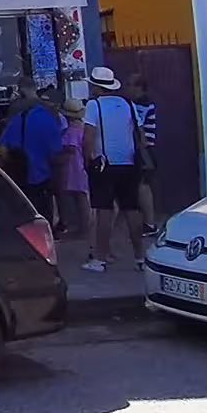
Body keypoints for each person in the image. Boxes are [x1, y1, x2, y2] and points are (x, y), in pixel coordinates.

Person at [82, 67, 145, 272]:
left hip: (104, 164)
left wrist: (87, 162)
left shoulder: (94, 105)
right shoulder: (128, 104)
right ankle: (140, 257)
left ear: (97, 87)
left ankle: (100, 258)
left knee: (104, 211)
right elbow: (139, 133)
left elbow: (89, 138)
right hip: (128, 163)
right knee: (131, 209)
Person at [0, 87, 66, 221]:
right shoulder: (50, 122)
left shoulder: (21, 117)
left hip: (19, 173)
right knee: (42, 214)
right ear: (56, 106)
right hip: (41, 176)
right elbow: (56, 154)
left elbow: (4, 143)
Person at [128, 75, 160, 237]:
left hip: (144, 148)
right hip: (146, 148)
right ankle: (148, 222)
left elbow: (135, 124)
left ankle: (149, 223)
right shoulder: (144, 102)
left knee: (142, 186)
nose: (128, 88)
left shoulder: (141, 104)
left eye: (131, 85)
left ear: (139, 87)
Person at [56, 97, 90, 241]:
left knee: (80, 197)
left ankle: (83, 229)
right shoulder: (83, 127)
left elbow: (70, 148)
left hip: (73, 166)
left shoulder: (71, 131)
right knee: (82, 196)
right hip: (81, 165)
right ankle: (84, 227)